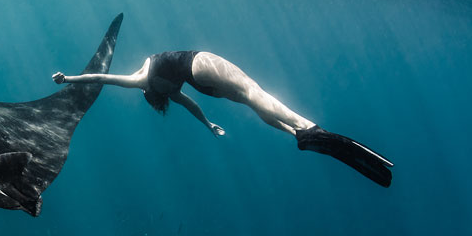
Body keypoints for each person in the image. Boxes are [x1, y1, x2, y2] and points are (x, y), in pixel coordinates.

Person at [52, 50, 393, 187]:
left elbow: (192, 107)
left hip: (203, 85)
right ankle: (306, 127)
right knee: (252, 91)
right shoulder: (144, 79)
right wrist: (68, 78)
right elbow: (104, 78)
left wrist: (208, 125)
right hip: (198, 65)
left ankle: (298, 135)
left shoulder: (166, 92)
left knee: (251, 102)